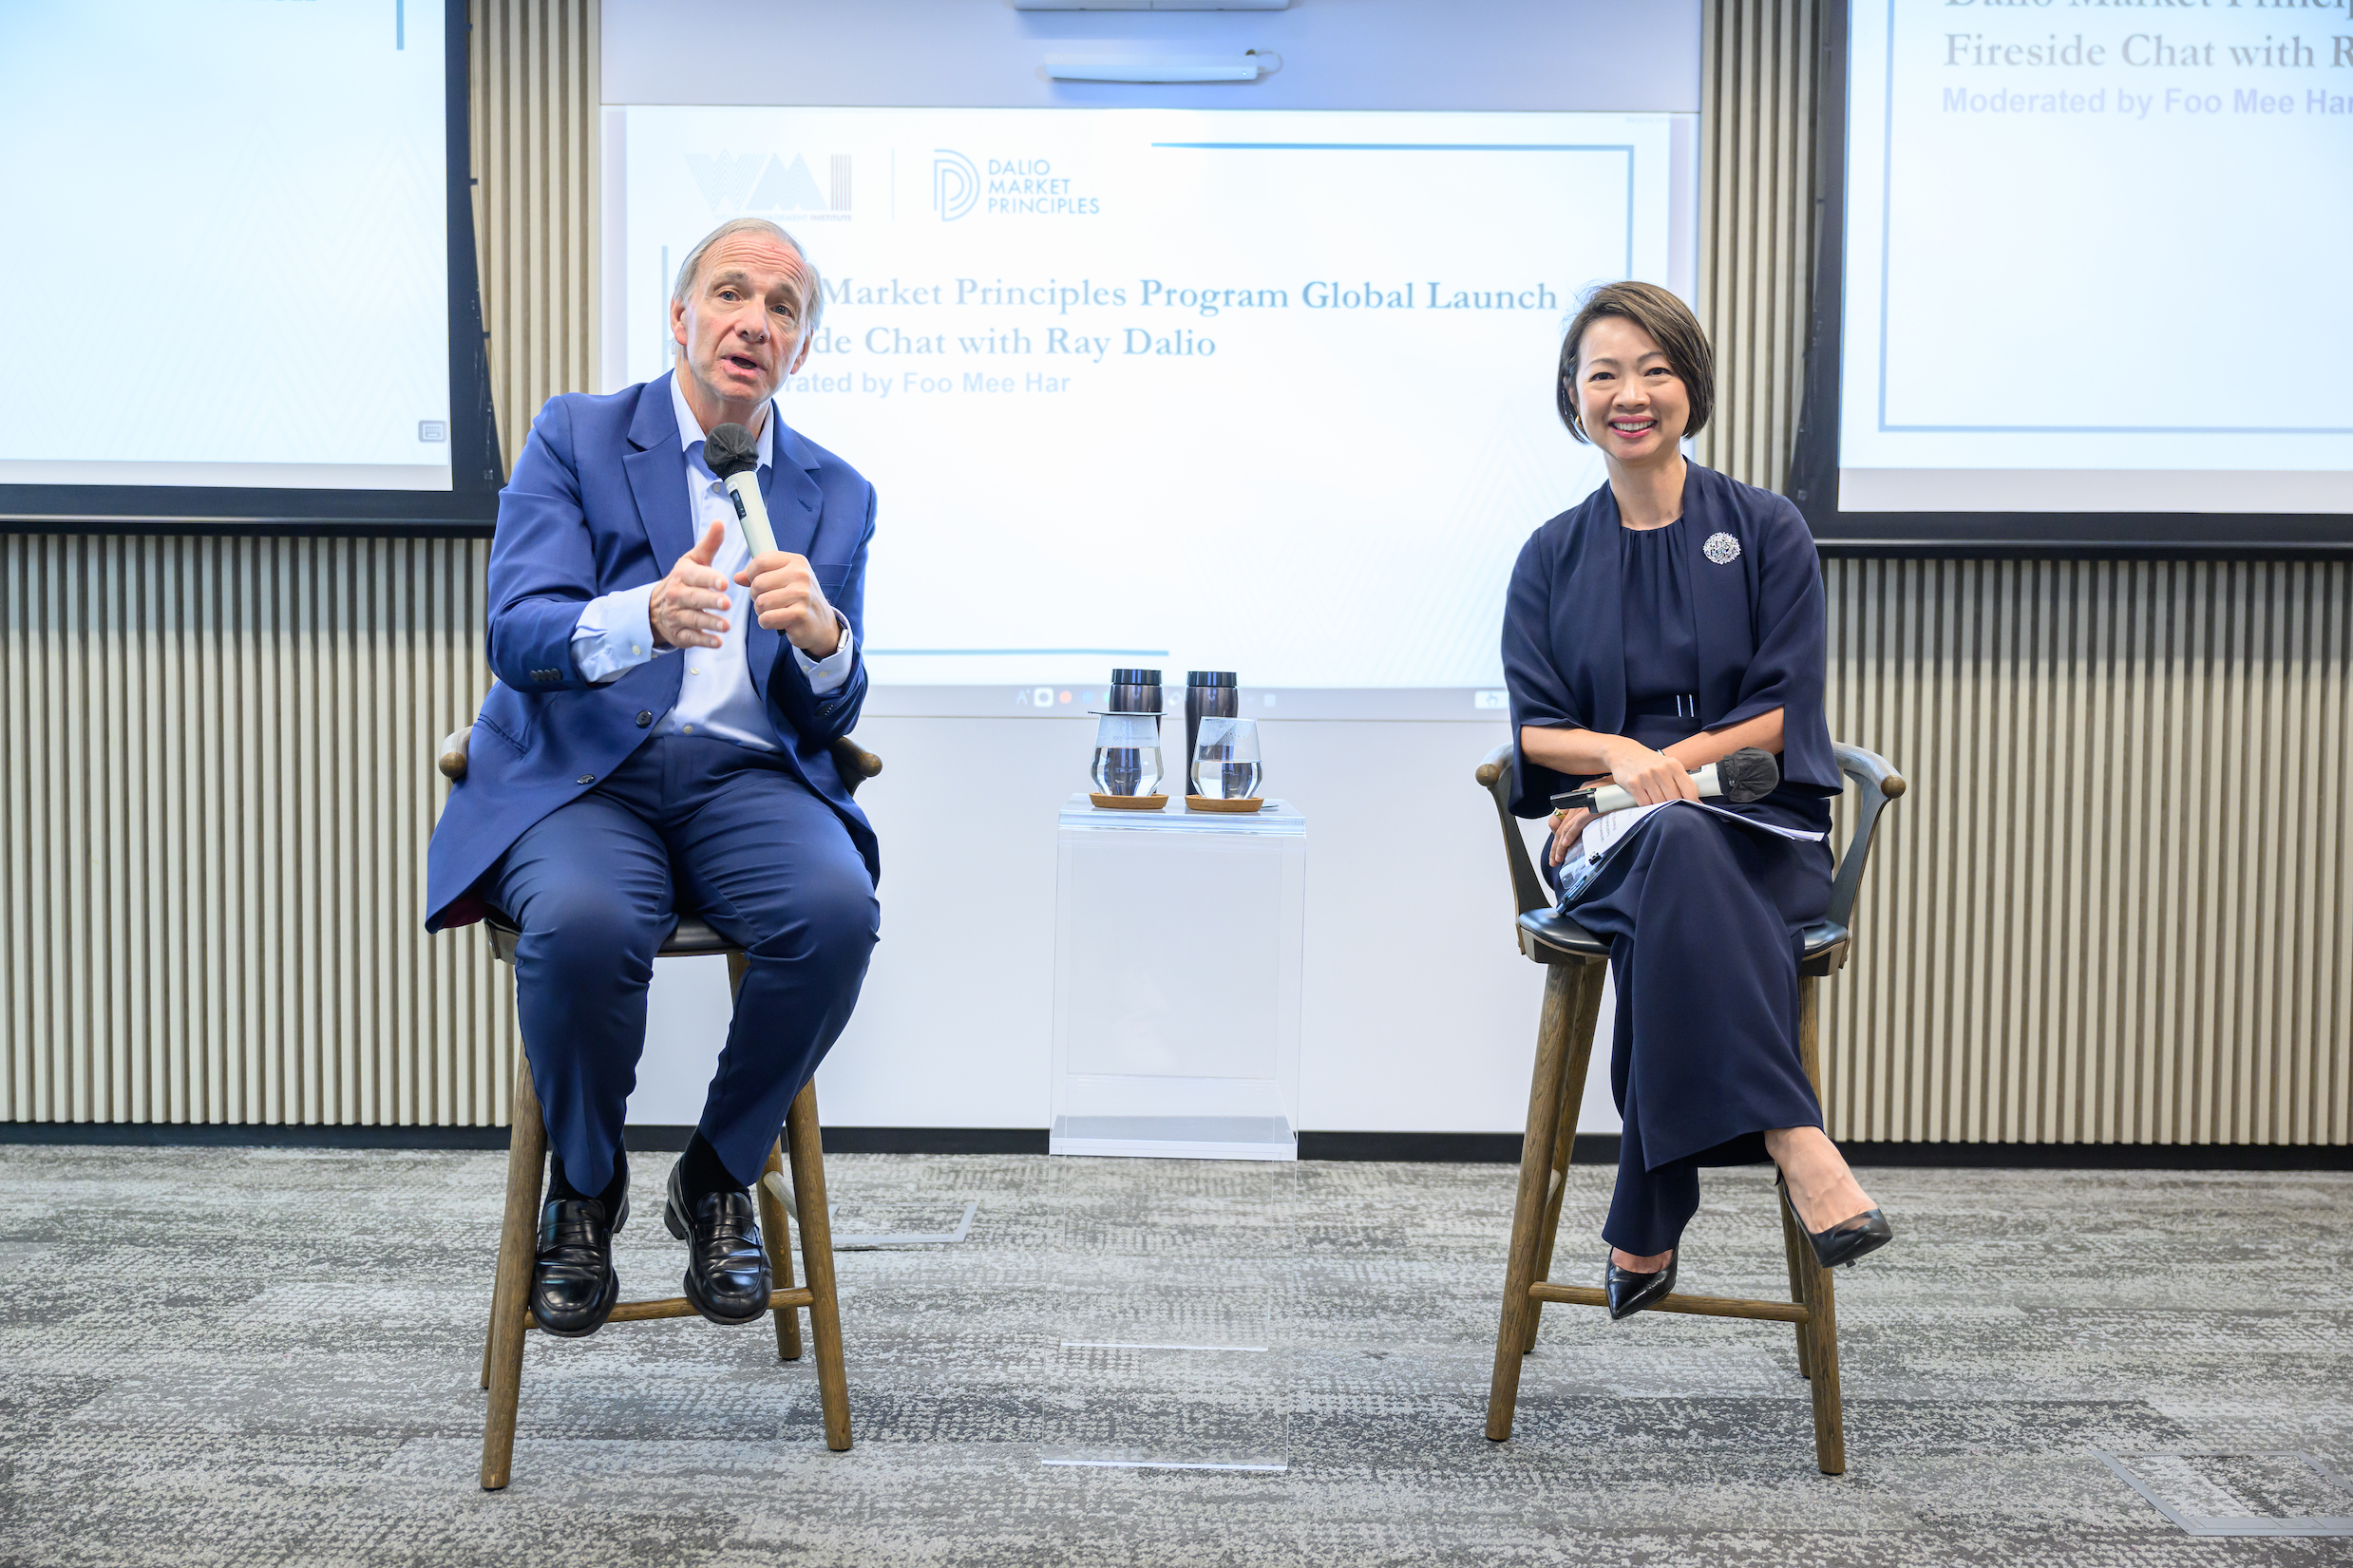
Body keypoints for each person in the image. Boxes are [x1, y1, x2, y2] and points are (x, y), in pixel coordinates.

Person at [425, 217, 880, 1337]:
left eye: (783, 309)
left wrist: (826, 639)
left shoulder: (836, 492)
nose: (753, 322)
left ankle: (718, 1174)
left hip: (746, 780)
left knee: (834, 913)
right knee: (580, 925)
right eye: (731, 294)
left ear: (800, 351)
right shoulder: (576, 437)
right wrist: (640, 618)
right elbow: (516, 629)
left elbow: (832, 708)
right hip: (589, 776)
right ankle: (583, 1190)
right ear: (679, 319)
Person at [1500, 280, 1894, 1321]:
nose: (1629, 394)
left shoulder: (1764, 529)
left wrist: (1674, 768)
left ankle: (1647, 1203)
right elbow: (1535, 731)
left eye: (1654, 370)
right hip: (1606, 837)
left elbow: (1779, 712)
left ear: (1690, 385)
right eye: (1603, 374)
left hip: (1760, 830)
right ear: (1572, 396)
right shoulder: (1548, 554)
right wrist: (1627, 759)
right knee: (1668, 844)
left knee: (1680, 849)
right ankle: (1796, 1143)